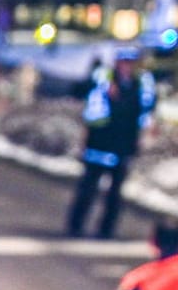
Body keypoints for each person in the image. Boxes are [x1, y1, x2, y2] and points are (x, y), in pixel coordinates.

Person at [66, 46, 157, 239]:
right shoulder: (102, 80)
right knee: (88, 188)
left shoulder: (141, 85)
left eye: (131, 63)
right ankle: (75, 225)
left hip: (123, 146)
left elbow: (146, 112)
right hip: (99, 144)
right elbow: (82, 95)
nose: (127, 67)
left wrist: (142, 137)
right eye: (124, 62)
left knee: (115, 194)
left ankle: (106, 230)